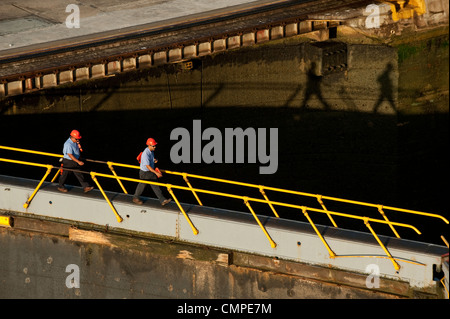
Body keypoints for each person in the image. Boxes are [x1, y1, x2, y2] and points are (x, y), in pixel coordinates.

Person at [133, 138, 172, 206]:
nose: (155, 147)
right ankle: (162, 200)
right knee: (152, 184)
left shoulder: (151, 151)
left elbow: (150, 159)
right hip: (145, 172)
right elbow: (147, 166)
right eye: (153, 146)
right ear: (149, 145)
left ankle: (136, 198)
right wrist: (156, 173)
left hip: (145, 172)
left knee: (144, 184)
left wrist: (154, 160)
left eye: (155, 145)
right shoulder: (146, 153)